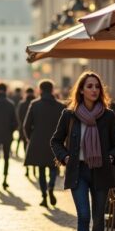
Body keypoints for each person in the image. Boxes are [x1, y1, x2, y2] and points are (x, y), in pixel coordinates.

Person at [51, 71, 115, 231]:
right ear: (81, 90)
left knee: (98, 217)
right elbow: (55, 140)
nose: (94, 90)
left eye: (97, 86)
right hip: (78, 171)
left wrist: (110, 157)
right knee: (84, 216)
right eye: (90, 86)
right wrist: (65, 158)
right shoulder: (69, 115)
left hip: (101, 171)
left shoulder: (107, 116)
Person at [23, 80, 65, 208]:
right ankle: (51, 186)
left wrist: (31, 139)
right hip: (55, 142)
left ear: (40, 90)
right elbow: (65, 127)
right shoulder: (60, 106)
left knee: (41, 170)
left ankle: (44, 196)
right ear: (52, 90)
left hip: (38, 141)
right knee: (53, 167)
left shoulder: (34, 104)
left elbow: (26, 125)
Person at [15, 87, 35, 167]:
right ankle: (33, 167)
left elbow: (18, 116)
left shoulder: (22, 103)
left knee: (24, 146)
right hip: (34, 130)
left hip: (23, 128)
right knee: (34, 149)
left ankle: (27, 167)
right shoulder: (36, 103)